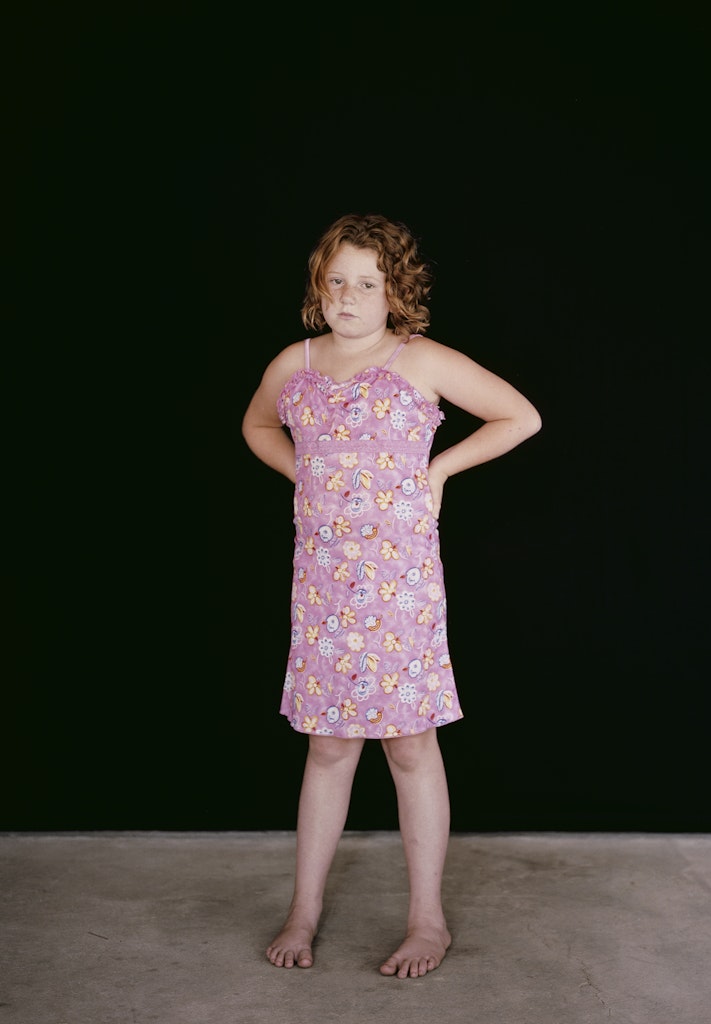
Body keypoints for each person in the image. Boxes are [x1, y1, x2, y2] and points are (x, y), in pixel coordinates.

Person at [242, 213, 542, 979]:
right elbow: (257, 425)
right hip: (321, 586)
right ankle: (303, 910)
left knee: (409, 745)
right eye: (336, 280)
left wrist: (437, 472)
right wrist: (301, 470)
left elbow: (520, 415)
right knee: (329, 744)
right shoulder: (294, 362)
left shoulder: (420, 360)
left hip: (399, 586)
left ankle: (426, 920)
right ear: (318, 287)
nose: (348, 295)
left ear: (394, 292)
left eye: (367, 284)